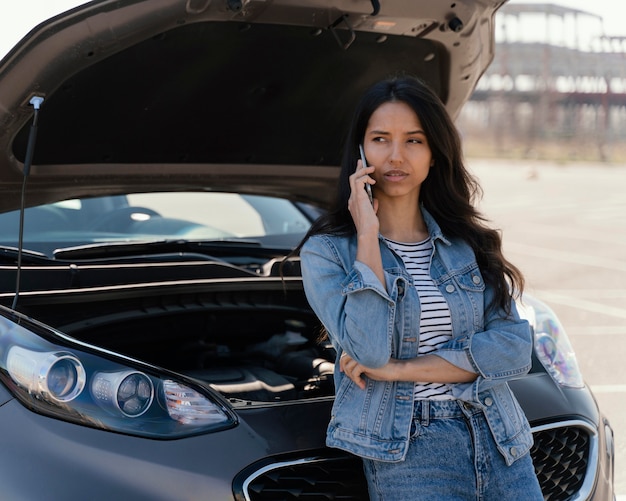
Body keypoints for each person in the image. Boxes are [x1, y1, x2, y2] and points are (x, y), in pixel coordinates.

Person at [297, 76, 543, 500]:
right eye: (380, 139)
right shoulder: (327, 254)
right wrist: (368, 235)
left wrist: (398, 371)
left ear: (434, 154)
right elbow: (368, 350)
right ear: (360, 151)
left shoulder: (467, 244)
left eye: (414, 140)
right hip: (409, 450)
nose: (396, 155)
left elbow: (514, 348)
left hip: (500, 434)